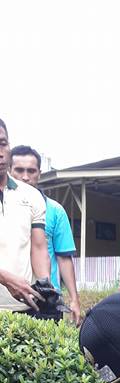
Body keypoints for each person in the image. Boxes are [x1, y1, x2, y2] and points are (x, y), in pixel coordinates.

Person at [10, 145, 81, 325]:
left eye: (31, 171)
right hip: (9, 297)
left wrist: (74, 299)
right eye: (19, 170)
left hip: (47, 300)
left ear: (39, 173)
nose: (25, 177)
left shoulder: (55, 211)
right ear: (9, 170)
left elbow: (64, 258)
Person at [0, 118, 50, 313]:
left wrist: (45, 285)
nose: (0, 153)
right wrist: (5, 278)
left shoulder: (31, 196)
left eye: (3, 144)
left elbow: (38, 247)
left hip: (24, 307)